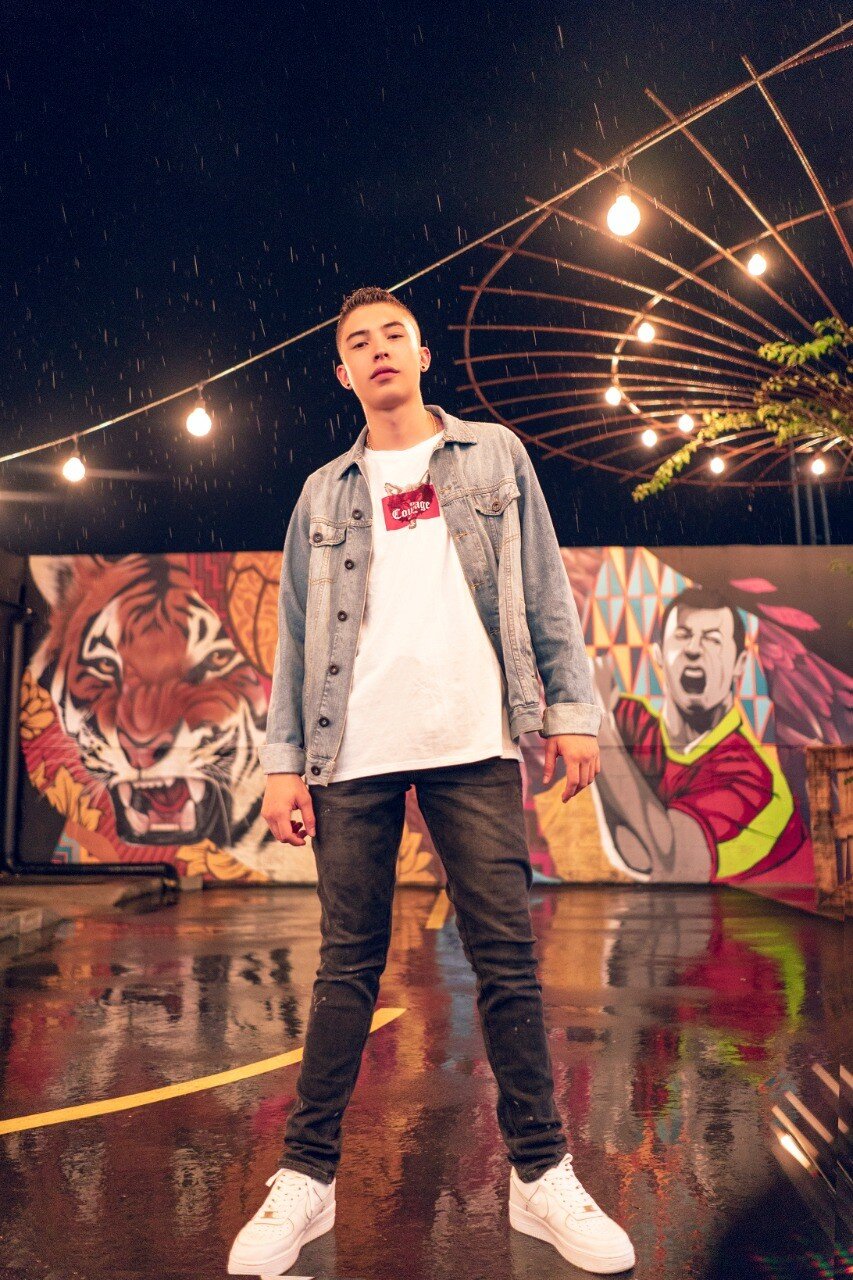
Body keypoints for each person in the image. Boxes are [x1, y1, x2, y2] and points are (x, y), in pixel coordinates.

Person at [227, 286, 636, 1276]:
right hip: (350, 750)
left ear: (421, 357)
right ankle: (306, 1176)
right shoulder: (322, 493)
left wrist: (571, 710)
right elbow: (295, 637)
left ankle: (539, 1172)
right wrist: (282, 762)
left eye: (393, 337)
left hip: (472, 738)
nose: (377, 351)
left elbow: (542, 586)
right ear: (341, 372)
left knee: (505, 957)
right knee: (345, 966)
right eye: (357, 343)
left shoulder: (492, 455)